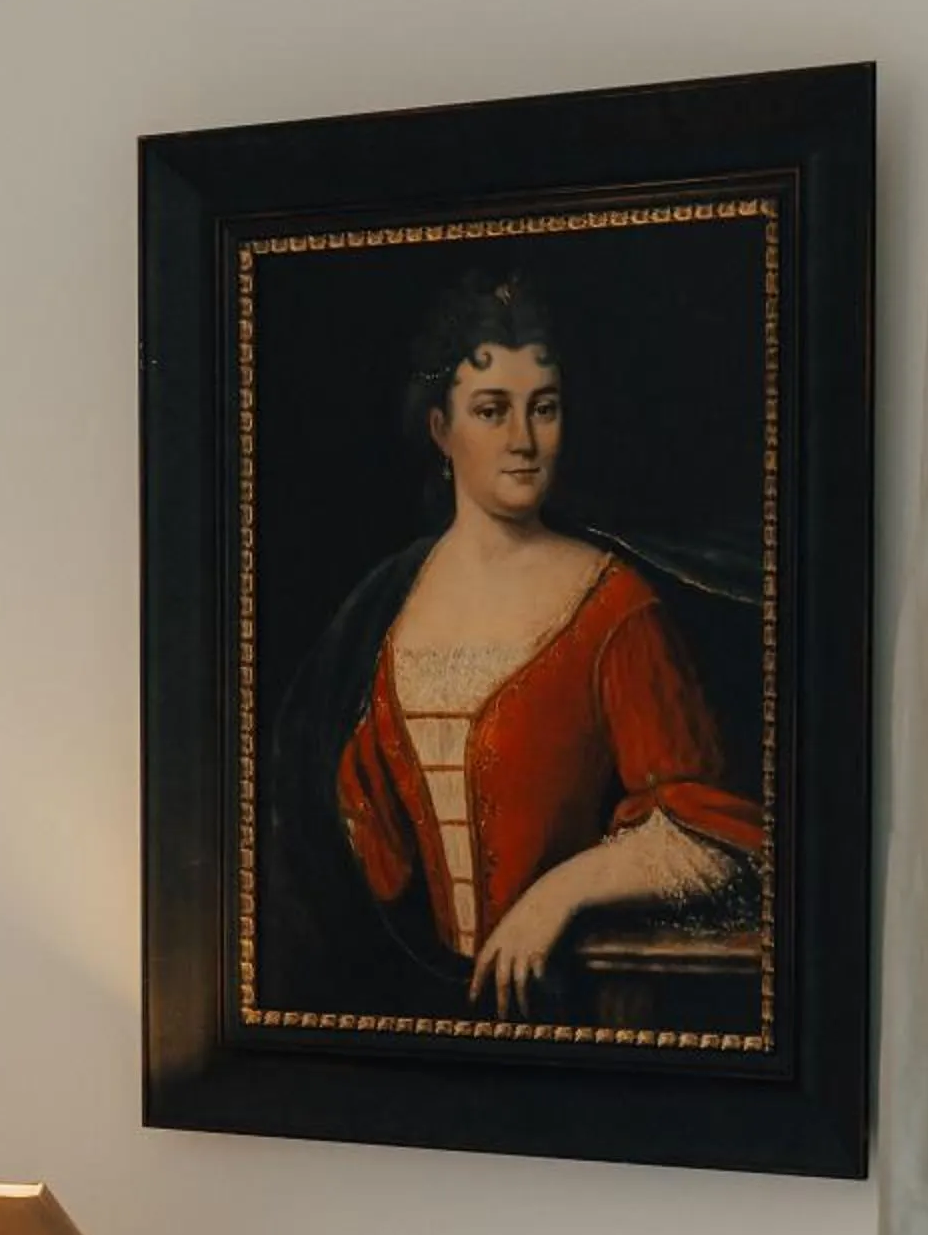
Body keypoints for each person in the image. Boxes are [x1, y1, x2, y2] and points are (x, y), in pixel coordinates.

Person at [263, 268, 763, 1023]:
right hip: (395, 1013)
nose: (524, 441)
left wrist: (555, 896)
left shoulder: (615, 604)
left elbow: (712, 834)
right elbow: (323, 830)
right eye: (492, 411)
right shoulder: (381, 607)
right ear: (441, 429)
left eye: (545, 409)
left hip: (557, 1008)